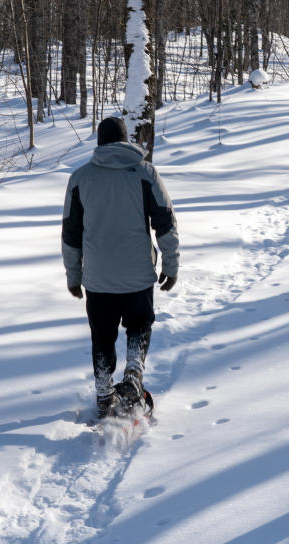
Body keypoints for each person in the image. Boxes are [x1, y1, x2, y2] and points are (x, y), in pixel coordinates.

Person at [61, 116, 179, 418]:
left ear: (99, 143)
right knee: (139, 326)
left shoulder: (80, 178)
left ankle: (104, 394)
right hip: (138, 276)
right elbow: (165, 222)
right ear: (126, 141)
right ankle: (133, 378)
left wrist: (74, 275)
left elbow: (70, 234)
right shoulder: (145, 173)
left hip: (98, 280)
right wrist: (170, 263)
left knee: (102, 336)